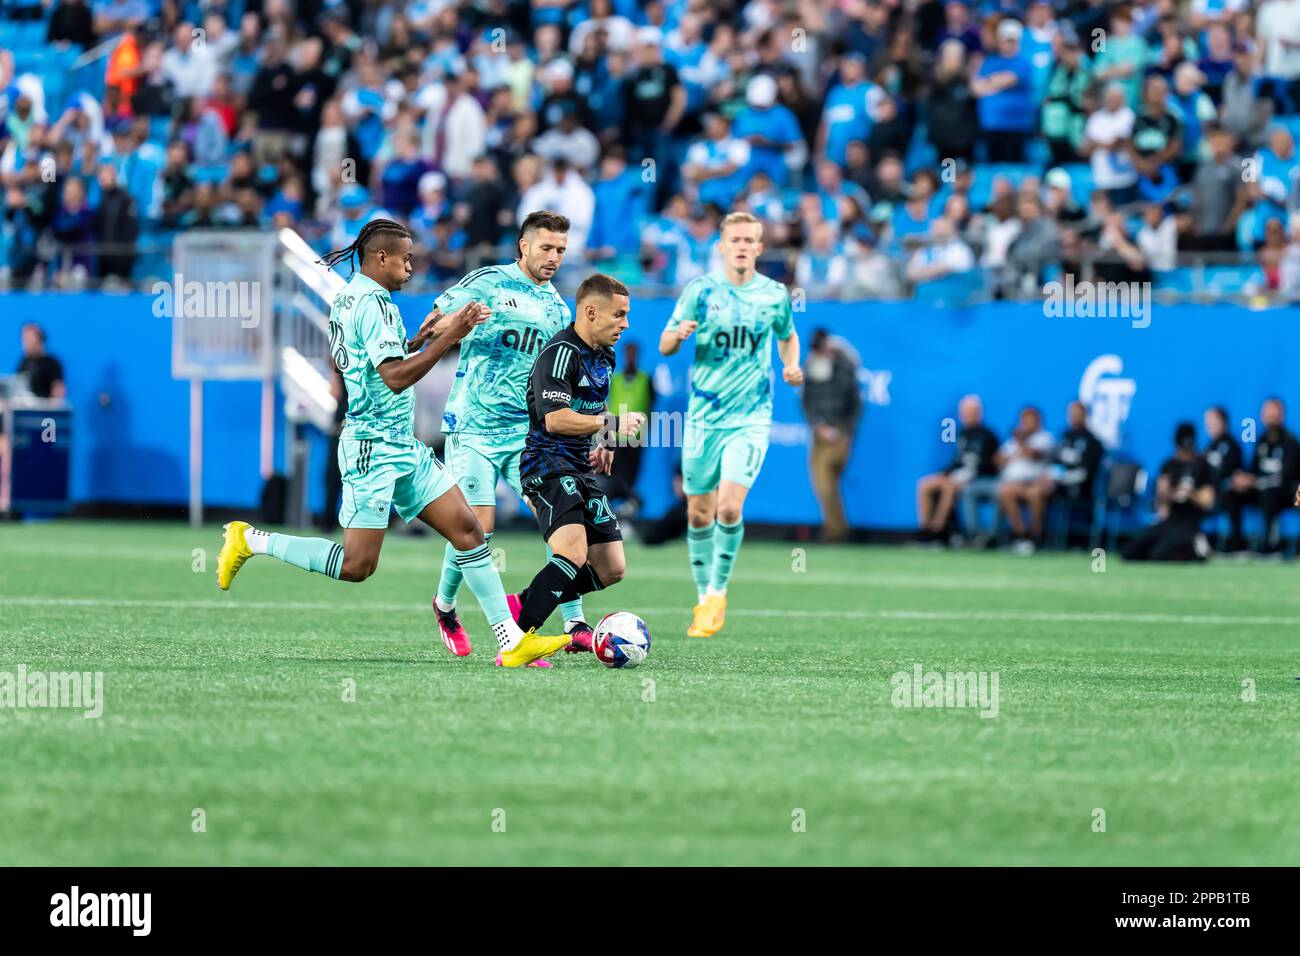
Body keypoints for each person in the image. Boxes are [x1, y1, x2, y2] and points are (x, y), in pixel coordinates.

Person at [215, 219, 571, 669]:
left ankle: (509, 639)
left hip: (402, 444)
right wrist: (448, 337)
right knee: (357, 566)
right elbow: (394, 377)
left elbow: (380, 360)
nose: (411, 266)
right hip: (372, 447)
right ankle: (251, 540)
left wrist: (418, 340)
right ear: (380, 257)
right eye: (405, 258)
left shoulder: (354, 295)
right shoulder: (372, 303)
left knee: (468, 531)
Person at [429, 211, 594, 659]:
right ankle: (445, 606)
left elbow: (564, 381)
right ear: (523, 246)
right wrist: (461, 323)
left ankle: (568, 622)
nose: (554, 257)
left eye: (561, 249)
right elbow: (431, 326)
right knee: (477, 527)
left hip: (525, 434)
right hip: (474, 426)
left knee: (560, 522)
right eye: (546, 247)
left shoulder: (559, 309)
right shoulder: (488, 281)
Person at [658, 210, 802, 638]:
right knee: (698, 512)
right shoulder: (700, 292)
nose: (741, 245)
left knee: (728, 507)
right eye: (734, 239)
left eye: (749, 240)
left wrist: (791, 365)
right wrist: (678, 336)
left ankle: (718, 593)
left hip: (750, 417)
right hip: (704, 419)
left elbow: (787, 334)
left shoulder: (774, 294)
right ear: (721, 246)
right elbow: (664, 346)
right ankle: (703, 598)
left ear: (759, 247)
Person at [511, 274, 645, 635]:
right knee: (572, 553)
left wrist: (602, 439)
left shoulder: (606, 355)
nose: (625, 324)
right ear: (590, 311)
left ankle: (526, 601)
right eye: (618, 314)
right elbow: (555, 420)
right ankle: (516, 640)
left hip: (579, 466)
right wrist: (613, 422)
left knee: (612, 568)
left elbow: (592, 403)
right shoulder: (560, 353)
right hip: (547, 463)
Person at [801, 329, 862, 542]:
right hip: (820, 434)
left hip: (840, 433)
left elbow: (855, 404)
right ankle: (836, 529)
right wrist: (818, 425)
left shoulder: (844, 368)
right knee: (822, 484)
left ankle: (836, 531)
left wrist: (846, 431)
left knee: (826, 481)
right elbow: (806, 402)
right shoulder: (811, 366)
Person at [1122, 422, 1213, 562]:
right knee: (1130, 552)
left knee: (1160, 555)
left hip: (1189, 524)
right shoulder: (1169, 465)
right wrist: (1165, 494)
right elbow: (1161, 505)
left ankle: (1196, 547)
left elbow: (1208, 501)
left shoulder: (1202, 465)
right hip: (1169, 522)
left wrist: (1189, 494)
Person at [916, 394, 999, 543]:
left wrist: (966, 477)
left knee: (948, 487)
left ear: (978, 412)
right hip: (957, 475)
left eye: (969, 412)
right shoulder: (962, 433)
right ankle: (925, 529)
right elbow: (957, 460)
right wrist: (945, 473)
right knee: (925, 484)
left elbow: (988, 465)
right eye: (963, 412)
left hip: (976, 478)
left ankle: (937, 531)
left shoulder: (988, 436)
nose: (965, 415)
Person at [1222, 397, 1300, 553]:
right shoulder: (1262, 441)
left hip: (1283, 493)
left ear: (1281, 415)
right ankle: (1237, 543)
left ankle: (1271, 545)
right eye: (1267, 413)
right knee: (1232, 492)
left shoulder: (1290, 443)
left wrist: (1256, 481)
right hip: (1261, 489)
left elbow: (1285, 479)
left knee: (1268, 494)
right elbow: (1253, 470)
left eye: (1274, 413)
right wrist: (1244, 480)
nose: (1270, 417)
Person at [1027, 400, 1104, 535]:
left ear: (1085, 415)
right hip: (1058, 485)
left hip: (1079, 488)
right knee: (1031, 490)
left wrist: (1059, 478)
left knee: (1035, 493)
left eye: (1077, 413)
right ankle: (1026, 536)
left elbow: (1085, 473)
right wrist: (1051, 475)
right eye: (1071, 414)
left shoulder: (1092, 441)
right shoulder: (1065, 437)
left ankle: (1035, 538)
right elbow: (1056, 463)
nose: (1074, 417)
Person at [996, 405, 1056, 554]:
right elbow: (998, 459)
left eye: (1031, 420)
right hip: (1015, 483)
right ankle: (1020, 534)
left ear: (1039, 421)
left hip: (1036, 483)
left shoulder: (1044, 437)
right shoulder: (1013, 442)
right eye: (1025, 420)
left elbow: (1034, 454)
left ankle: (1036, 535)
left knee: (1034, 494)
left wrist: (1021, 442)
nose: (1028, 424)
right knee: (1005, 491)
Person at [606, 340, 654, 506]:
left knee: (629, 480)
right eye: (628, 353)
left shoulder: (646, 380)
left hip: (635, 440)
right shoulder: (615, 379)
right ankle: (609, 514)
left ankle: (628, 513)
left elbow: (651, 408)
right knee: (611, 480)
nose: (631, 357)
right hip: (614, 438)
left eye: (634, 353)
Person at [16, 324, 66, 399]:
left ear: (40, 340)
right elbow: (15, 384)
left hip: (43, 408)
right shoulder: (24, 361)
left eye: (29, 340)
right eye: (24, 339)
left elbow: (59, 392)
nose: (25, 344)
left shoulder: (51, 363)